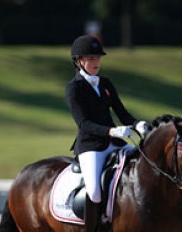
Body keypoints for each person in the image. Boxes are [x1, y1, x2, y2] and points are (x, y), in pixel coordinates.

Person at [65, 35, 149, 232]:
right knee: (94, 191)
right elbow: (83, 124)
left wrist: (139, 124)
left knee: (142, 166)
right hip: (91, 147)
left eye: (98, 58)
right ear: (79, 61)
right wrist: (112, 130)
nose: (96, 62)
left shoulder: (105, 84)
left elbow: (122, 113)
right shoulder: (74, 88)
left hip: (116, 143)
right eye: (91, 58)